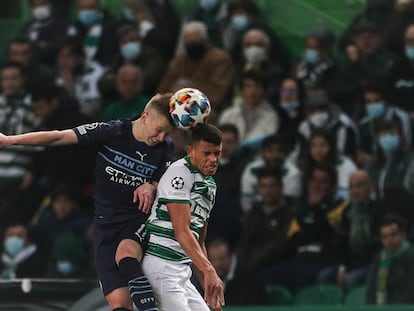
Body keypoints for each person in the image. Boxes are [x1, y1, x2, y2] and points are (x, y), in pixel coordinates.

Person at [0, 93, 177, 311]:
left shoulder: (165, 148)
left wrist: (151, 185)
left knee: (126, 253)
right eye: (158, 130)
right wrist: (11, 140)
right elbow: (58, 137)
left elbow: (165, 183)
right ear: (145, 116)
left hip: (137, 221)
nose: (161, 137)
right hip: (104, 226)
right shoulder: (113, 132)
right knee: (119, 304)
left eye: (166, 133)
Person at [142, 123, 225, 311]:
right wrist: (209, 270)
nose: (213, 159)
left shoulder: (210, 185)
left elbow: (199, 240)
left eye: (217, 153)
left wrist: (208, 286)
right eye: (206, 153)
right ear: (191, 151)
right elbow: (182, 231)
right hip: (161, 265)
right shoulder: (179, 173)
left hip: (183, 271)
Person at [366, 216, 414, 304]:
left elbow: (410, 292)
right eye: (385, 237)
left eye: (393, 234)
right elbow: (372, 290)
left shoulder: (411, 255)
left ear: (403, 235)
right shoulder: (379, 258)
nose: (389, 240)